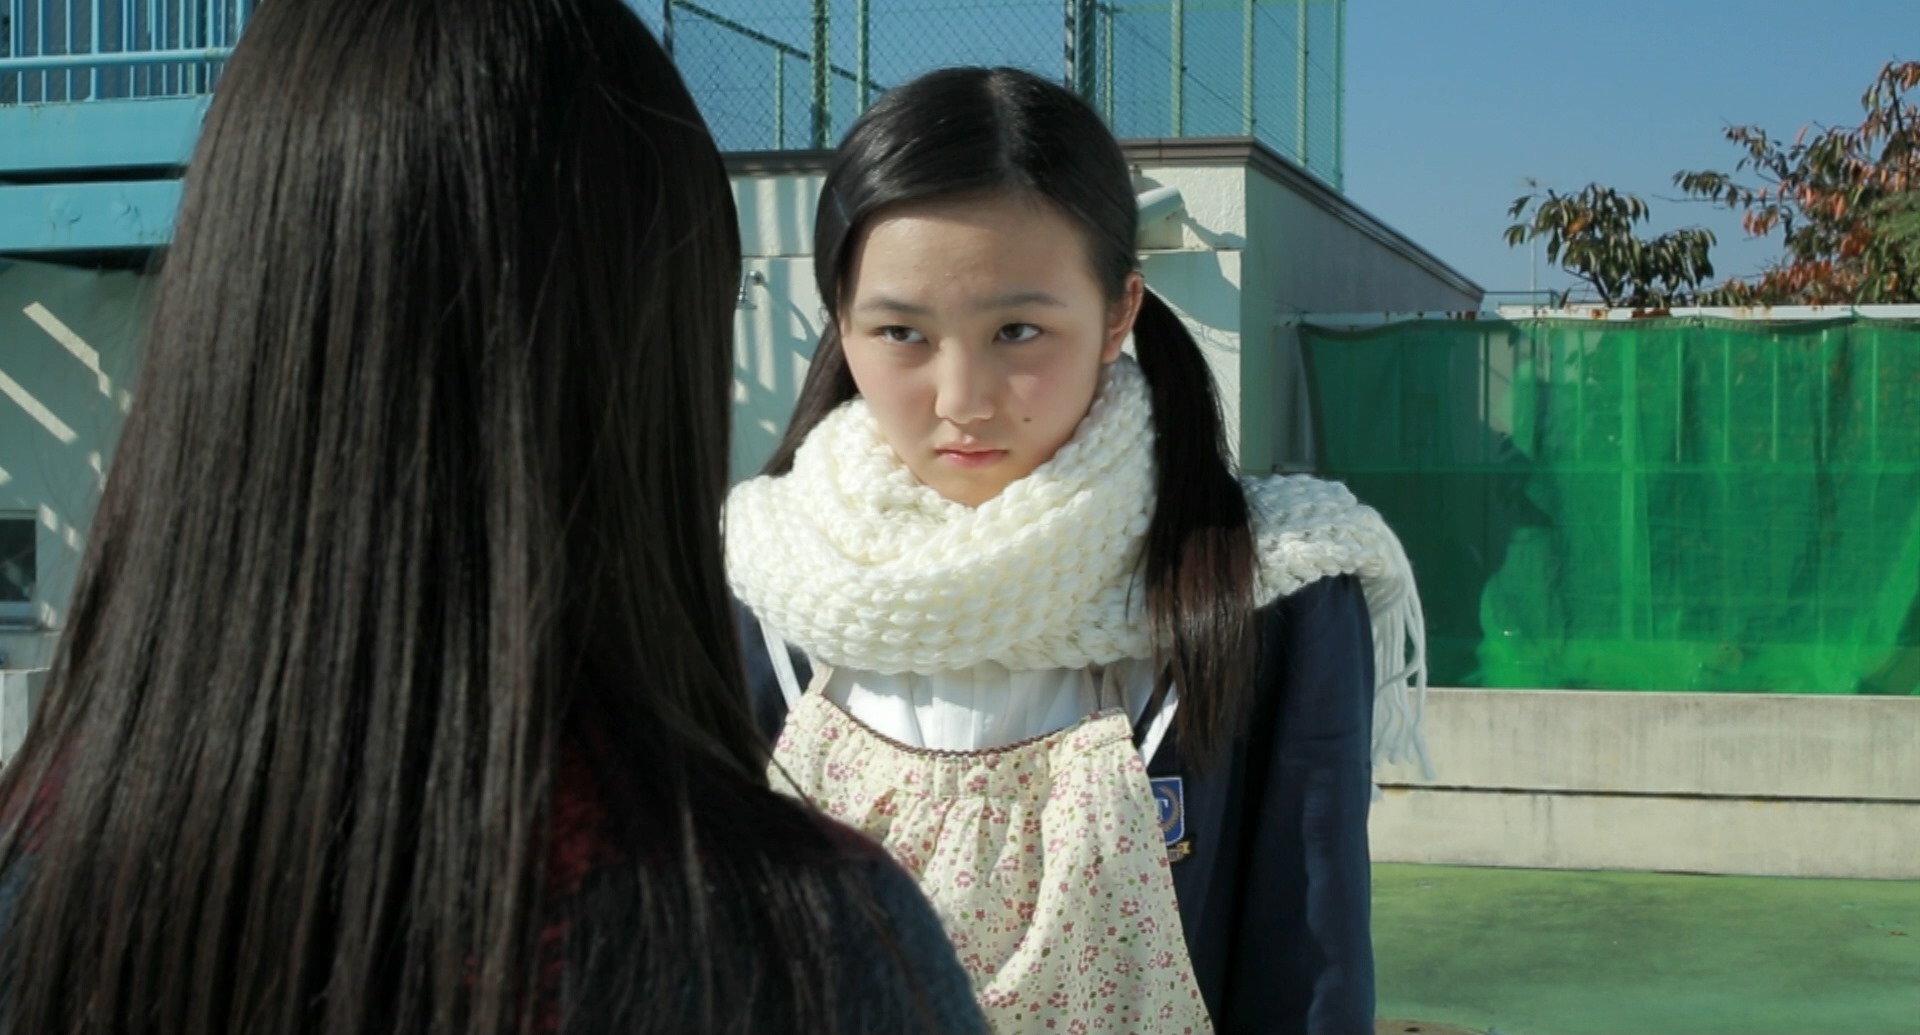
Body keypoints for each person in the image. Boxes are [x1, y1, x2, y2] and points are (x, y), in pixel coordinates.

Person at [0, 2, 988, 1033]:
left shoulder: (40, 887)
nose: (963, 400)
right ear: (660, 367)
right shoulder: (811, 948)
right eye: (900, 331)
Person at [727, 66, 1430, 1035]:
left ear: (1119, 312)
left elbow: (1308, 981)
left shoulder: (1274, 583)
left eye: (1018, 330)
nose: (962, 399)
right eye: (901, 332)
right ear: (839, 323)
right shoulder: (762, 583)